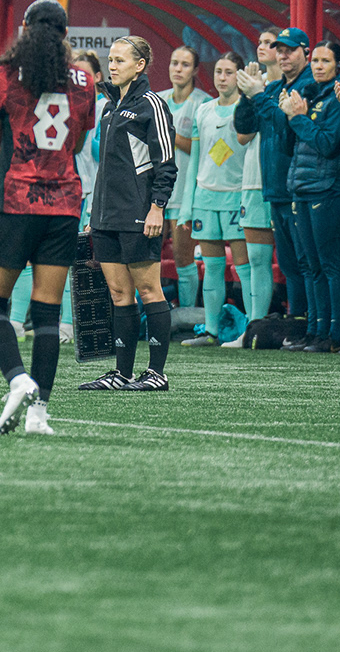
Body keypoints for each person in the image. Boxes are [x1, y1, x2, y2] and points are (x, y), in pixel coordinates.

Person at [0, 0, 95, 433]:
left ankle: (17, 378)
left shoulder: (4, 75)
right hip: (64, 204)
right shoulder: (84, 79)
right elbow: (79, 145)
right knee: (47, 313)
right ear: (65, 35)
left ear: (24, 27)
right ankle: (39, 414)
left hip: (17, 202)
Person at [79, 34, 177, 392]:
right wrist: (95, 214)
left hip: (139, 214)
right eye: (111, 59)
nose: (112, 65)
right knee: (119, 295)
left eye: (121, 60)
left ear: (140, 66)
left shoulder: (153, 104)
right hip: (106, 215)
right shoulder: (109, 107)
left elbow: (166, 163)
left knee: (150, 291)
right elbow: (106, 168)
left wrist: (157, 208)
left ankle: (157, 374)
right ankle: (121, 374)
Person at [235, 27, 313, 335]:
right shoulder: (275, 86)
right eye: (279, 50)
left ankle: (316, 325)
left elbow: (285, 125)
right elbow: (244, 127)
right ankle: (298, 323)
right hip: (275, 186)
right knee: (291, 263)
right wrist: (247, 96)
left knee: (308, 262)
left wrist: (258, 95)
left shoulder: (308, 86)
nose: (282, 55)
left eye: (289, 49)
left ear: (305, 52)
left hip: (298, 185)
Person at [280, 41, 340, 352]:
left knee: (330, 263)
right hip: (301, 188)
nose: (319, 66)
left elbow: (329, 145)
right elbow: (288, 147)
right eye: (316, 60)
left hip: (328, 189)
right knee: (309, 265)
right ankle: (314, 330)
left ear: (339, 65)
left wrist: (298, 118)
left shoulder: (338, 99)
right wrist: (289, 116)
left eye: (327, 61)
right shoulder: (309, 95)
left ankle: (333, 334)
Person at [185, 52, 251, 345]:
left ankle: (251, 329)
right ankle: (211, 331)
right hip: (205, 199)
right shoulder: (204, 111)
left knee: (244, 266)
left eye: (228, 72)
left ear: (239, 75)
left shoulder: (245, 109)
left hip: (236, 197)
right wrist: (188, 205)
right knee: (211, 267)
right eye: (219, 72)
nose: (222, 77)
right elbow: (195, 163)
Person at [157, 44, 211, 319]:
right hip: (156, 191)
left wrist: (170, 133)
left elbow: (200, 149)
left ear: (195, 71)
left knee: (182, 257)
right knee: (148, 257)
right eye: (175, 63)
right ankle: (153, 314)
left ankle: (187, 315)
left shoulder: (203, 104)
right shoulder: (158, 100)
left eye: (185, 65)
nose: (178, 69)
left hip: (185, 191)